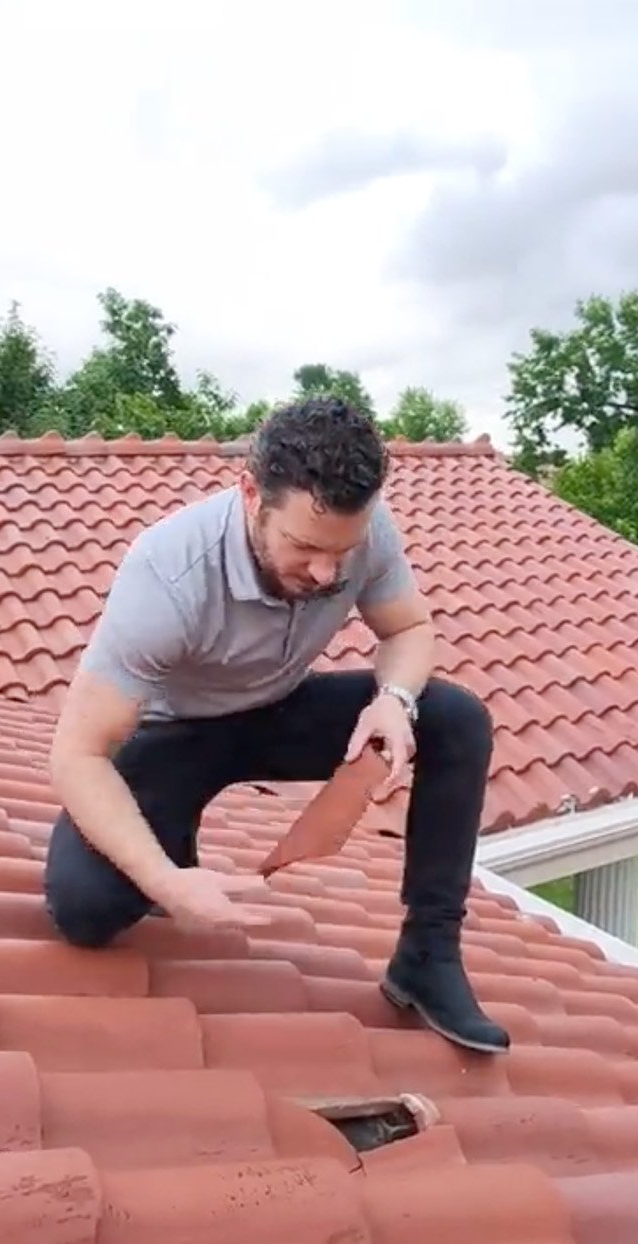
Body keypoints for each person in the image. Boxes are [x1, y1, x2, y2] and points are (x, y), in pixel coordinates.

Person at [41, 395, 510, 1054]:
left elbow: (408, 628)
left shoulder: (365, 533)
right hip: (178, 734)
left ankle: (427, 958)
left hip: (280, 710)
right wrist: (164, 881)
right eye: (306, 548)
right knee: (86, 912)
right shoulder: (167, 574)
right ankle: (170, 841)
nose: (326, 573)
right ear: (250, 493)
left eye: (341, 553)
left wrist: (395, 700)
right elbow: (77, 755)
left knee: (455, 719)